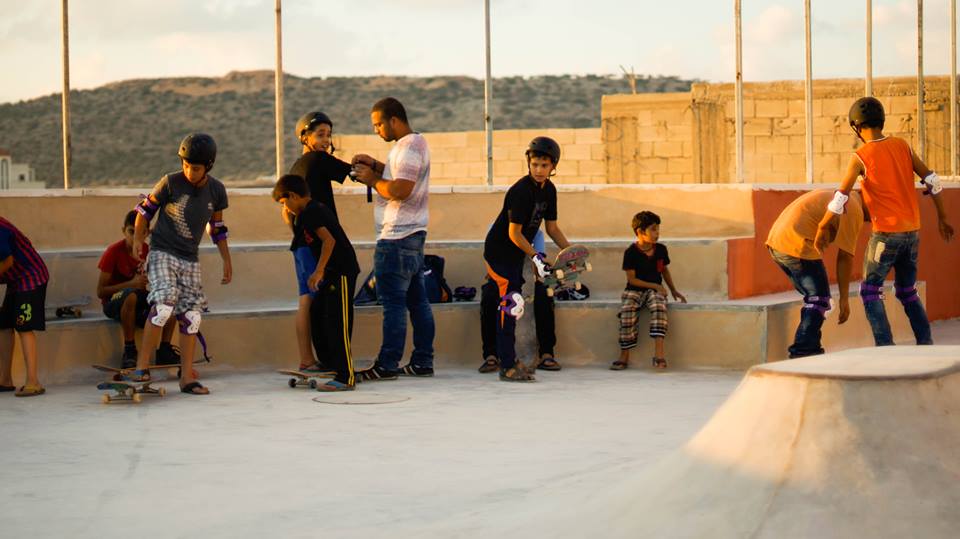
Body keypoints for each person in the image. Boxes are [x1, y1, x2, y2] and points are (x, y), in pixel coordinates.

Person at [815, 97, 954, 346]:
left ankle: (885, 348)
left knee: (870, 291)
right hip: (912, 233)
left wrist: (824, 223)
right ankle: (926, 344)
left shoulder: (860, 157)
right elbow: (932, 180)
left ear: (856, 127)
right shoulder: (902, 146)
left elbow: (841, 196)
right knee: (907, 291)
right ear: (882, 121)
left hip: (885, 235)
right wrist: (942, 217)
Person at [130, 133, 232, 395]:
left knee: (192, 316)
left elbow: (217, 228)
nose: (189, 171)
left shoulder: (217, 190)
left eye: (195, 167)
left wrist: (226, 259)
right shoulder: (170, 182)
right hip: (163, 251)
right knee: (164, 306)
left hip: (190, 257)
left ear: (208, 166)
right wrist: (138, 243)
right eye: (185, 165)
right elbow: (144, 212)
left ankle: (186, 377)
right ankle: (142, 367)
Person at [351, 97, 435, 380]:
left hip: (396, 238)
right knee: (418, 303)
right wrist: (374, 166)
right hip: (413, 236)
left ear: (394, 120)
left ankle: (387, 365)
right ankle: (423, 361)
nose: (376, 130)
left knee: (394, 305)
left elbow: (400, 189)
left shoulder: (409, 145)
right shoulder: (413, 145)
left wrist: (372, 180)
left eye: (378, 124)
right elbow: (397, 176)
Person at [482, 136, 572, 382]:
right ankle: (507, 366)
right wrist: (535, 256)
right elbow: (513, 233)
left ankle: (510, 360)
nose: (539, 170)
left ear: (553, 166)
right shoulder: (520, 191)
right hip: (499, 252)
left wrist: (571, 251)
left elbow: (552, 228)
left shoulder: (549, 190)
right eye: (535, 164)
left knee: (516, 303)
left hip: (517, 252)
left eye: (544, 165)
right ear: (529, 164)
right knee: (511, 303)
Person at [273, 174, 360, 391]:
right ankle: (330, 363)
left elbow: (329, 241)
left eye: (285, 202)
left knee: (338, 323)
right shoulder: (303, 215)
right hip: (329, 273)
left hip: (340, 271)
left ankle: (345, 376)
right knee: (320, 316)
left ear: (293, 195)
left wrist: (318, 270)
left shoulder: (312, 211)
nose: (286, 208)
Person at [286, 112, 353, 372]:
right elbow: (354, 172)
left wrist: (298, 231)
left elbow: (285, 210)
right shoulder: (318, 159)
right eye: (320, 135)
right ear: (305, 137)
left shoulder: (296, 166)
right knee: (313, 300)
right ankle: (311, 358)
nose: (326, 140)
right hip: (316, 243)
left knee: (307, 299)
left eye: (328, 135)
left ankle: (307, 358)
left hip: (302, 243)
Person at [767, 190, 867, 358]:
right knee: (819, 300)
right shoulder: (854, 208)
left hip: (778, 243)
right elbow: (844, 258)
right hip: (797, 244)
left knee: (817, 301)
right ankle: (802, 352)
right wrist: (844, 300)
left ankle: (812, 349)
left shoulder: (845, 197)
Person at [96, 210, 178, 369]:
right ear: (123, 231)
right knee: (131, 295)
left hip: (139, 302)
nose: (134, 237)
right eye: (131, 232)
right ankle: (129, 350)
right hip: (114, 303)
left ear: (147, 233)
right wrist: (131, 284)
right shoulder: (113, 252)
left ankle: (165, 350)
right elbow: (100, 291)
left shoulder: (150, 252)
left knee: (171, 302)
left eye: (140, 233)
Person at [611, 211, 686, 371]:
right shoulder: (630, 252)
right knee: (627, 312)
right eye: (653, 229)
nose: (657, 233)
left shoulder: (660, 250)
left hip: (654, 290)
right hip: (635, 289)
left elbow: (664, 271)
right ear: (640, 232)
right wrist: (655, 286)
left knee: (659, 307)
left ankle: (659, 354)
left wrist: (673, 290)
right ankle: (624, 355)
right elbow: (632, 279)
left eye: (658, 229)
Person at [478, 228, 560, 374]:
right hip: (501, 279)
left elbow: (538, 267)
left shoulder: (537, 234)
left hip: (526, 278)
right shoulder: (495, 228)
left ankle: (547, 353)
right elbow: (489, 261)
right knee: (489, 295)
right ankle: (491, 354)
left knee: (544, 296)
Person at [0, 217, 49, 397]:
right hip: (15, 280)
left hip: (31, 277)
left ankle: (33, 381)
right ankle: (5, 380)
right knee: (4, 325)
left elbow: (7, 261)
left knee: (24, 325)